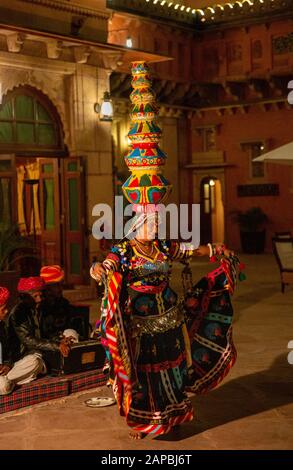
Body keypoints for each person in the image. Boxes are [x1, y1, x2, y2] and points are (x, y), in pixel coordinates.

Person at [91, 212, 239, 439]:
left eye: (157, 222)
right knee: (145, 370)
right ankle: (145, 420)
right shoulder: (124, 250)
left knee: (174, 368)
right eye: (152, 222)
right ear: (137, 225)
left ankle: (175, 416)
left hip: (171, 317)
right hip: (142, 322)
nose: (157, 226)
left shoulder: (163, 246)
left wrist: (217, 250)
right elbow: (106, 266)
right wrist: (97, 269)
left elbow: (191, 251)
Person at [7, 277, 71, 393]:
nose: (39, 299)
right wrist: (56, 345)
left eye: (40, 295)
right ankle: (6, 381)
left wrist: (60, 339)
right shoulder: (18, 313)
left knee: (71, 334)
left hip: (41, 350)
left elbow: (46, 333)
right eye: (36, 296)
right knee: (34, 363)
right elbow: (28, 340)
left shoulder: (40, 308)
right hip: (24, 355)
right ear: (25, 297)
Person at [39, 265, 79, 342]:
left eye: (61, 284)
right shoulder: (40, 306)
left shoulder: (63, 303)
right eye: (57, 285)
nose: (61, 288)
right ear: (47, 288)